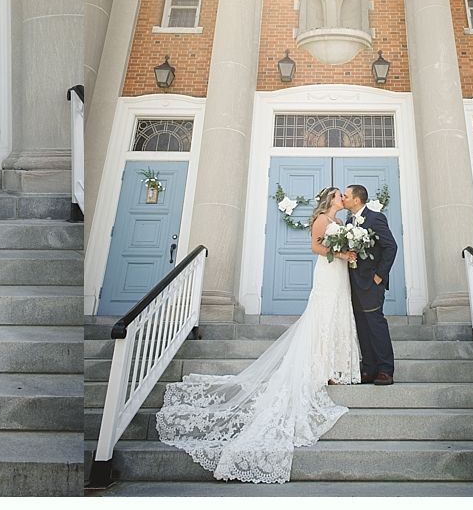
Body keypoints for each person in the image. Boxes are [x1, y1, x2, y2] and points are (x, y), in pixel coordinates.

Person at [156, 186, 360, 483]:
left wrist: (347, 254)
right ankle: (320, 367)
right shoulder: (322, 221)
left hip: (339, 273)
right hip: (327, 272)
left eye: (344, 195)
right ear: (330, 200)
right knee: (322, 315)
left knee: (337, 313)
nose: (343, 199)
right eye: (339, 195)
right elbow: (316, 247)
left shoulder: (341, 224)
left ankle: (334, 365)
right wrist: (341, 252)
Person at [342, 183, 397, 385]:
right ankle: (369, 369)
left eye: (346, 196)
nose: (343, 198)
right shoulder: (349, 221)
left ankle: (385, 370)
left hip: (372, 282)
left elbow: (391, 247)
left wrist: (380, 276)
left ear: (357, 199)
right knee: (362, 326)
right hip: (354, 283)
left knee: (375, 324)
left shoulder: (376, 218)